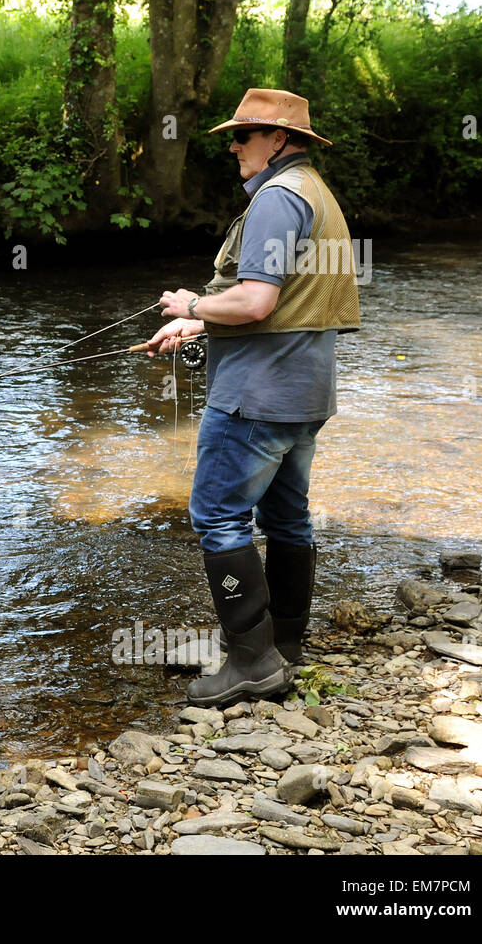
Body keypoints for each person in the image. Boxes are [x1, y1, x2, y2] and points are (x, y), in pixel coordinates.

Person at [146, 87, 361, 707]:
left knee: (217, 516)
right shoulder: (315, 194)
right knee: (287, 516)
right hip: (305, 393)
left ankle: (251, 661)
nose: (234, 146)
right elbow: (282, 302)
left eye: (243, 135)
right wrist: (199, 321)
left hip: (255, 397)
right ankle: (284, 646)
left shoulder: (275, 200)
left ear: (280, 141)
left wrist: (191, 303)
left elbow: (257, 301)